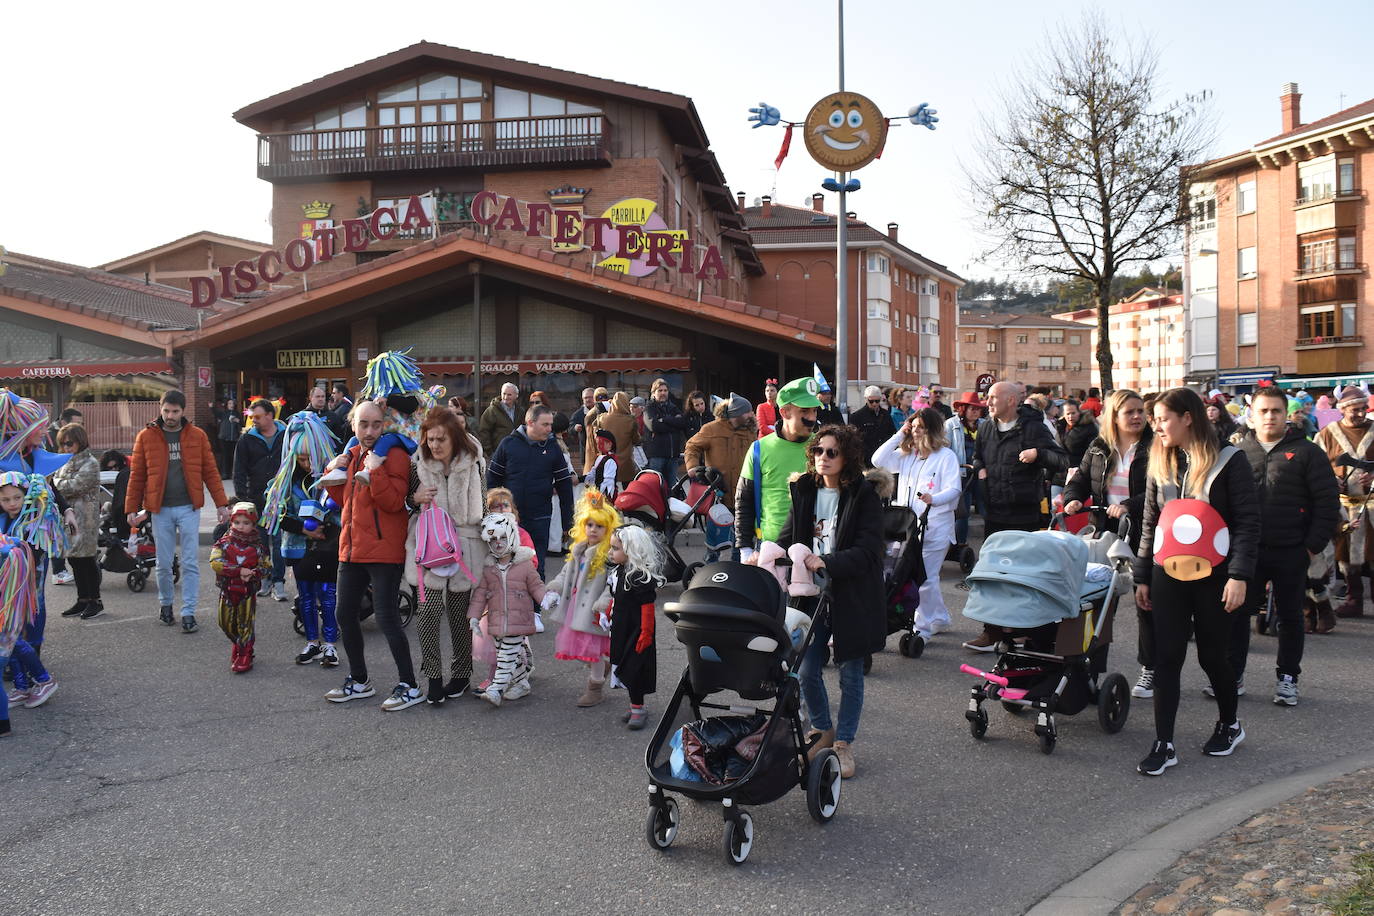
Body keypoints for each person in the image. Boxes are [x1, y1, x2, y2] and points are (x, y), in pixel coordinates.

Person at [1133, 387, 1260, 777]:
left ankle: (1229, 723)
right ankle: (1164, 743)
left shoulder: (1230, 460)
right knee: (1166, 657)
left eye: (1163, 418)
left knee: (1211, 656)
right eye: (1154, 419)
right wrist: (1142, 576)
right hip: (1167, 573)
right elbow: (1150, 523)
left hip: (1216, 576)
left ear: (1187, 417)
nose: (1156, 426)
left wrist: (1239, 576)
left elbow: (1247, 523)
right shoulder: (1160, 460)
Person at [775, 423, 883, 779]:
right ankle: (822, 730)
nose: (823, 458)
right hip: (809, 594)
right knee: (806, 668)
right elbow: (789, 535)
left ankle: (844, 743)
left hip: (850, 593)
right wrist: (768, 554)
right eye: (818, 451)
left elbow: (869, 551)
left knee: (850, 672)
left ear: (846, 457)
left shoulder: (863, 494)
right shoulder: (803, 488)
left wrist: (828, 561)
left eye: (831, 452)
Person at [1228, 386, 1339, 705]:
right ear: (1252, 415)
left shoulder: (1308, 452)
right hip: (1247, 551)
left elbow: (1327, 502)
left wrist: (1311, 546)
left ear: (1285, 414)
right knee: (1237, 614)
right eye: (1263, 411)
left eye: (1276, 410)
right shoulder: (1237, 453)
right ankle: (1232, 675)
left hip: (1292, 550)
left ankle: (1288, 678)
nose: (1270, 417)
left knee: (1290, 616)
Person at [321, 400, 423, 711]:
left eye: (376, 425)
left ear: (385, 426)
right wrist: (334, 469)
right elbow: (344, 499)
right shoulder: (352, 454)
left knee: (387, 619)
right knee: (343, 615)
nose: (369, 431)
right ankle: (359, 680)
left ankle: (409, 685)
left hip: (384, 550)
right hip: (351, 549)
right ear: (353, 425)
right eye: (363, 424)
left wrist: (374, 471)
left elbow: (394, 502)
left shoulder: (393, 455)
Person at [963, 381, 1067, 652]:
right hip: (994, 512)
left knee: (1025, 577)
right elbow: (977, 457)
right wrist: (980, 469)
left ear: (1011, 401)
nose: (988, 402)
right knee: (992, 575)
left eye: (994, 398)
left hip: (1025, 514)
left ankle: (1027, 632)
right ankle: (991, 631)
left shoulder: (1032, 427)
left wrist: (1038, 454)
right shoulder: (986, 427)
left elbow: (1061, 460)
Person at [1063, 389, 1153, 697]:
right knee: (1098, 603)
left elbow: (1163, 490)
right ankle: (1090, 672)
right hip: (1104, 532)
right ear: (1114, 416)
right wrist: (1074, 499)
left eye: (1141, 410)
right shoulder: (1100, 447)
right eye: (1130, 412)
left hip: (1144, 532)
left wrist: (1130, 504)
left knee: (1146, 602)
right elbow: (1080, 479)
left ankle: (1150, 668)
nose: (1138, 416)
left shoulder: (1156, 447)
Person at [126, 390, 230, 632]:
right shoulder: (146, 436)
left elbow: (210, 471)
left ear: (183, 411)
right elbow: (137, 475)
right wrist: (131, 507)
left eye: (175, 411)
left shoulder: (197, 436)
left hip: (188, 507)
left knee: (191, 562)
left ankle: (189, 612)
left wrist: (221, 503)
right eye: (166, 411)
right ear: (160, 409)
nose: (170, 415)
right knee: (163, 563)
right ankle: (166, 605)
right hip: (159, 509)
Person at [407, 407, 487, 705]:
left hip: (465, 547)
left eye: (441, 439)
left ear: (454, 437)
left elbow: (485, 505)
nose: (435, 445)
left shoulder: (475, 462)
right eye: (430, 440)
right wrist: (414, 499)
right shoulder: (418, 464)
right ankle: (433, 677)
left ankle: (462, 673)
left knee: (458, 615)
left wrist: (493, 548)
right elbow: (406, 499)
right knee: (427, 615)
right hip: (430, 546)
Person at [872, 408, 961, 647]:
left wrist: (935, 498)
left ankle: (922, 628)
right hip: (908, 528)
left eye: (919, 427)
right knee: (918, 575)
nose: (915, 431)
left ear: (931, 430)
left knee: (924, 577)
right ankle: (940, 617)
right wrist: (899, 434)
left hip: (935, 526)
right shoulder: (907, 455)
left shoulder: (946, 456)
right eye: (912, 426)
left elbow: (954, 489)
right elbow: (878, 460)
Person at [259, 412, 341, 668]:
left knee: (327, 595)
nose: (305, 463)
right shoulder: (286, 481)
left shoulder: (332, 478)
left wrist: (324, 527)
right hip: (297, 547)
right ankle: (312, 642)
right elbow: (276, 514)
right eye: (301, 458)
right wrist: (304, 530)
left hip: (326, 548)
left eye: (309, 457)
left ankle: (329, 645)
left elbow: (342, 513)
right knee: (305, 595)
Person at [544, 490, 619, 707]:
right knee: (579, 650)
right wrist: (555, 587)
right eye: (589, 525)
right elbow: (566, 573)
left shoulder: (608, 555)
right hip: (575, 607)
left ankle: (595, 688)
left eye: (599, 526)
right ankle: (601, 669)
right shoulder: (579, 549)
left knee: (591, 651)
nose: (593, 529)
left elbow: (611, 584)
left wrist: (604, 603)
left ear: (608, 529)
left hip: (593, 611)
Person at [735, 378, 823, 558]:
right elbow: (744, 500)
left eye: (814, 410)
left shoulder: (823, 448)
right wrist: (745, 548)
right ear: (784, 412)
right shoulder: (759, 448)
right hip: (770, 548)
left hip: (814, 548)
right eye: (804, 411)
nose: (812, 418)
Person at [487, 404, 576, 579]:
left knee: (537, 567)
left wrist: (568, 523)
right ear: (530, 423)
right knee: (506, 568)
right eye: (545, 424)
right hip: (509, 519)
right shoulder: (508, 444)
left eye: (551, 424)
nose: (550, 429)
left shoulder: (553, 448)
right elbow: (492, 481)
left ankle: (535, 607)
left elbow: (564, 486)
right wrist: (490, 515)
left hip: (540, 517)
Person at [467, 512, 546, 707]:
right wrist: (474, 617)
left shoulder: (524, 564)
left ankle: (496, 689)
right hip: (496, 621)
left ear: (512, 537)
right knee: (510, 654)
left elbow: (536, 586)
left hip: (519, 620)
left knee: (505, 656)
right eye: (493, 539)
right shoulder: (488, 568)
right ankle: (521, 683)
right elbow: (479, 595)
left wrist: (546, 600)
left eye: (503, 538)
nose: (498, 543)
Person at [0, 472, 64, 712]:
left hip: (24, 589)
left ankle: (44, 680)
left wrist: (10, 549)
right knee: (9, 638)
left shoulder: (34, 522)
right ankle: (21, 685)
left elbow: (32, 556)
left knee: (12, 636)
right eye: (5, 499)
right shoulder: (4, 518)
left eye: (16, 497)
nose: (12, 503)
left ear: (26, 496)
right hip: (5, 589)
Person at [1314, 386, 1374, 619]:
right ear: (1342, 410)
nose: (1360, 414)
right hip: (1344, 506)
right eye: (1354, 410)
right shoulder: (1327, 434)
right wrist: (1331, 481)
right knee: (1345, 556)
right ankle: (1354, 599)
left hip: (1372, 503)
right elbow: (1316, 467)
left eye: (1363, 409)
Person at [606, 525, 666, 730]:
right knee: (623, 665)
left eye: (615, 548)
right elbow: (616, 598)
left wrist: (646, 633)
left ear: (631, 550)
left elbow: (647, 609)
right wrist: (607, 613)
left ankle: (638, 708)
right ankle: (634, 706)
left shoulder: (639, 577)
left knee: (634, 669)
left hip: (637, 630)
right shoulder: (619, 572)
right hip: (621, 628)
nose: (611, 552)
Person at [684, 393, 755, 561]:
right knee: (714, 537)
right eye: (747, 412)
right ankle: (710, 568)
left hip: (743, 494)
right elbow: (692, 446)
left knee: (741, 538)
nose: (751, 415)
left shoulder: (751, 432)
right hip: (718, 493)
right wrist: (693, 467)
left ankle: (738, 569)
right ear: (736, 413)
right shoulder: (711, 429)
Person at [234, 398, 288, 602]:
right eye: (251, 416)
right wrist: (242, 498)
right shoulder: (246, 439)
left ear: (269, 415)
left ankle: (279, 582)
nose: (253, 420)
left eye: (257, 416)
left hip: (281, 497)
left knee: (278, 540)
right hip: (256, 497)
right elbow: (239, 469)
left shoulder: (286, 435)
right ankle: (264, 579)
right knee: (261, 542)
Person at [209, 502, 272, 673]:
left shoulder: (258, 547)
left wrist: (252, 573)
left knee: (245, 623)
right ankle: (239, 644)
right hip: (227, 591)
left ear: (253, 524)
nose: (241, 526)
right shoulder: (223, 543)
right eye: (237, 522)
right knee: (224, 623)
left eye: (246, 523)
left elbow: (267, 567)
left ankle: (245, 653)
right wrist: (238, 571)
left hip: (247, 593)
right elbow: (215, 562)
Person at [52, 424, 104, 620]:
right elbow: (56, 483)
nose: (66, 447)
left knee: (86, 558)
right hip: (69, 518)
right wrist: (57, 483)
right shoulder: (65, 461)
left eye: (69, 443)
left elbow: (72, 486)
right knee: (73, 558)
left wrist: (56, 483)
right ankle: (82, 599)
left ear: (80, 441)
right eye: (62, 444)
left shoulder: (90, 463)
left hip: (86, 518)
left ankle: (95, 600)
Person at [944, 391, 986, 549]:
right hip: (961, 476)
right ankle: (959, 545)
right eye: (972, 408)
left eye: (978, 409)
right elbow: (945, 450)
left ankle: (989, 544)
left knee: (986, 510)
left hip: (981, 474)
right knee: (962, 513)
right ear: (963, 409)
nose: (975, 412)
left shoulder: (984, 424)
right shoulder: (950, 425)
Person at [585, 392, 639, 486]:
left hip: (607, 462)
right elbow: (636, 440)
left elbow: (592, 431)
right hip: (626, 465)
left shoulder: (602, 418)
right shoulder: (631, 420)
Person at [642, 379, 687, 489]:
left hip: (673, 456)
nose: (663, 393)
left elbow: (682, 423)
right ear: (654, 393)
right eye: (660, 390)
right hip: (657, 456)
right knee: (656, 487)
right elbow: (654, 426)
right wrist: (673, 422)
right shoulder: (649, 407)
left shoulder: (673, 407)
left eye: (665, 390)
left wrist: (664, 419)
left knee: (672, 489)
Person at [848, 386, 897, 464]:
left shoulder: (886, 414)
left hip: (883, 456)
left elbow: (892, 433)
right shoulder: (856, 416)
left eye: (877, 401)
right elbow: (853, 440)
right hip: (866, 459)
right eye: (871, 401)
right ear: (866, 399)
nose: (874, 404)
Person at [478, 382, 522, 457]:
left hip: (516, 451)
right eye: (504, 394)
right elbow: (484, 431)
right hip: (498, 452)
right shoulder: (492, 410)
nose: (505, 397)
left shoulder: (520, 411)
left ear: (516, 396)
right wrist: (490, 452)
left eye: (509, 394)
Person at [216, 397, 241, 481]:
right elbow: (216, 413)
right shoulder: (224, 413)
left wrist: (238, 421)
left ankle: (231, 473)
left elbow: (241, 423)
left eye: (233, 404)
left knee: (232, 456)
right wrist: (211, 407)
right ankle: (224, 473)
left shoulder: (237, 413)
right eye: (230, 403)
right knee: (225, 456)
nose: (231, 405)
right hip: (224, 438)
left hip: (234, 438)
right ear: (227, 405)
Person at [569, 387, 597, 460]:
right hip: (586, 453)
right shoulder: (578, 414)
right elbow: (570, 429)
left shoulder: (601, 411)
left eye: (590, 397)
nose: (588, 400)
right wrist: (575, 428)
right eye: (585, 398)